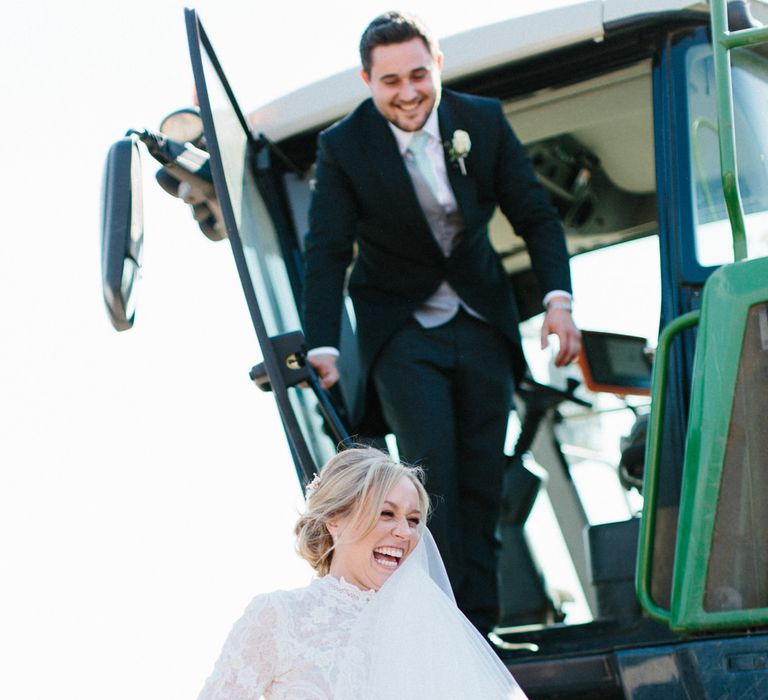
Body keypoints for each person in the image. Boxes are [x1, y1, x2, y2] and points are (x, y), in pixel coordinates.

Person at [302, 11, 581, 637]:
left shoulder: (481, 120)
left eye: (418, 75)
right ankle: (432, 629)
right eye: (390, 81)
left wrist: (559, 303)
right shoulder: (343, 149)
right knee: (428, 483)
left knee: (483, 482)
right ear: (368, 81)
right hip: (402, 332)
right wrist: (323, 345)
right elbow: (326, 251)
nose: (407, 93)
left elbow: (536, 216)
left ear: (438, 67)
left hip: (482, 320)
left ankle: (477, 633)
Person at [196, 447, 527, 699]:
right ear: (334, 521)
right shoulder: (279, 617)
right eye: (386, 514)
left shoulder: (430, 628)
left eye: (413, 520)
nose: (405, 533)